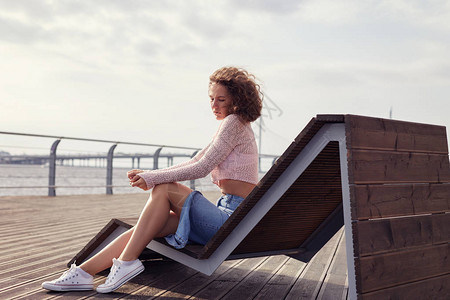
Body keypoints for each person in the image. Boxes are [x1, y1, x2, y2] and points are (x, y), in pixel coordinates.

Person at [41, 66, 263, 293]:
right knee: (147, 226)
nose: (214, 105)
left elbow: (202, 168)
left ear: (236, 100)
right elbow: (195, 160)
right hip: (227, 215)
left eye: (221, 99)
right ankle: (83, 273)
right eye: (211, 99)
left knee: (164, 188)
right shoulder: (234, 125)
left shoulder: (233, 123)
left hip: (231, 220)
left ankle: (126, 262)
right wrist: (150, 174)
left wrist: (152, 178)